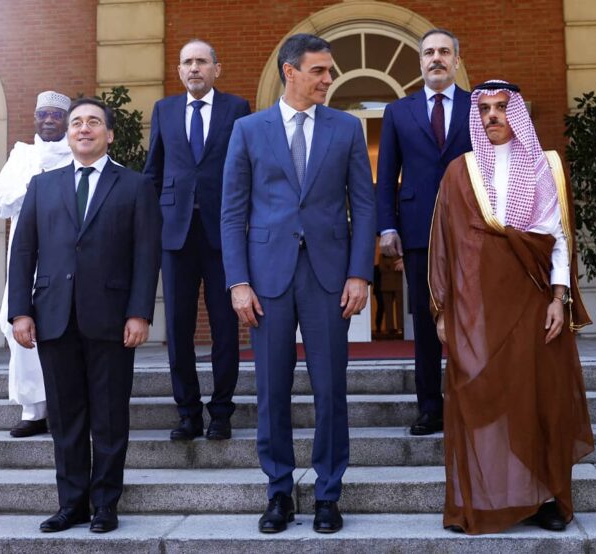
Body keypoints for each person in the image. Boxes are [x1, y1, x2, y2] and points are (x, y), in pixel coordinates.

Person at [221, 33, 375, 535]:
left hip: (330, 277)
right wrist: (238, 282)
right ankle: (279, 493)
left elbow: (364, 206)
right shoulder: (248, 129)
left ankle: (328, 494)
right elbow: (232, 213)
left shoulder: (347, 129)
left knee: (330, 388)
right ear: (291, 72)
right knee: (271, 390)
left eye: (330, 72)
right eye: (320, 71)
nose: (329, 80)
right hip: (266, 279)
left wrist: (359, 272)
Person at [428, 80, 594, 534]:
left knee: (537, 397)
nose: (493, 116)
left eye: (502, 107)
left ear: (516, 112)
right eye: (484, 109)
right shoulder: (459, 172)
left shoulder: (545, 166)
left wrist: (560, 298)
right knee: (482, 398)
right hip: (476, 306)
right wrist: (443, 311)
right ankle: (482, 499)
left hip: (533, 300)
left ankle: (544, 498)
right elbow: (445, 244)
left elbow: (558, 239)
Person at [8, 97, 161, 534]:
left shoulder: (134, 186)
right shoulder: (43, 185)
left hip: (113, 319)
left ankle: (106, 504)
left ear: (109, 134)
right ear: (68, 133)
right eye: (77, 122)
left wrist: (139, 313)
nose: (84, 128)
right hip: (54, 316)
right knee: (65, 417)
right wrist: (20, 311)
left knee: (110, 418)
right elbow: (23, 253)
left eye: (94, 122)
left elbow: (146, 255)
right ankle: (70, 503)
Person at [144, 39, 251, 441]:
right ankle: (187, 412)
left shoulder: (237, 109)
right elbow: (154, 172)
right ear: (179, 70)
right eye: (187, 62)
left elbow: (246, 169)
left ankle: (221, 412)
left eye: (202, 62)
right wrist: (149, 227)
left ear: (216, 69)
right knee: (179, 327)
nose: (194, 68)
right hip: (175, 235)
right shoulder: (164, 110)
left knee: (226, 327)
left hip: (224, 234)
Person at [375, 28, 472, 435]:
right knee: (427, 320)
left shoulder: (478, 106)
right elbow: (386, 176)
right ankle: (430, 408)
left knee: (472, 319)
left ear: (455, 59)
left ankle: (472, 405)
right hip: (417, 231)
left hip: (472, 229)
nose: (436, 58)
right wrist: (386, 226)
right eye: (429, 52)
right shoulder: (399, 112)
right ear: (420, 61)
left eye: (444, 52)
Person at [0, 90, 74, 438]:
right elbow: (0, 203)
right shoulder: (21, 154)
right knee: (17, 324)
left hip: (66, 251)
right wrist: (35, 186)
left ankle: (62, 406)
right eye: (43, 114)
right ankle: (33, 408)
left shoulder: (78, 152)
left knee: (60, 324)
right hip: (26, 251)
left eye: (56, 114)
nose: (49, 120)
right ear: (35, 118)